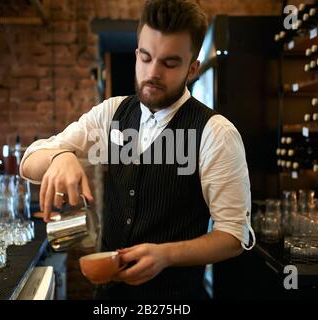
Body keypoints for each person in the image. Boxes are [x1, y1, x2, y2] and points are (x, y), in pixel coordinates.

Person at [20, 0, 255, 300]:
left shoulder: (216, 133)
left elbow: (234, 236)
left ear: (192, 69)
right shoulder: (112, 113)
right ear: (136, 54)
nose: (153, 72)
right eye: (145, 57)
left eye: (169, 63)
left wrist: (167, 255)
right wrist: (60, 156)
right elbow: (29, 160)